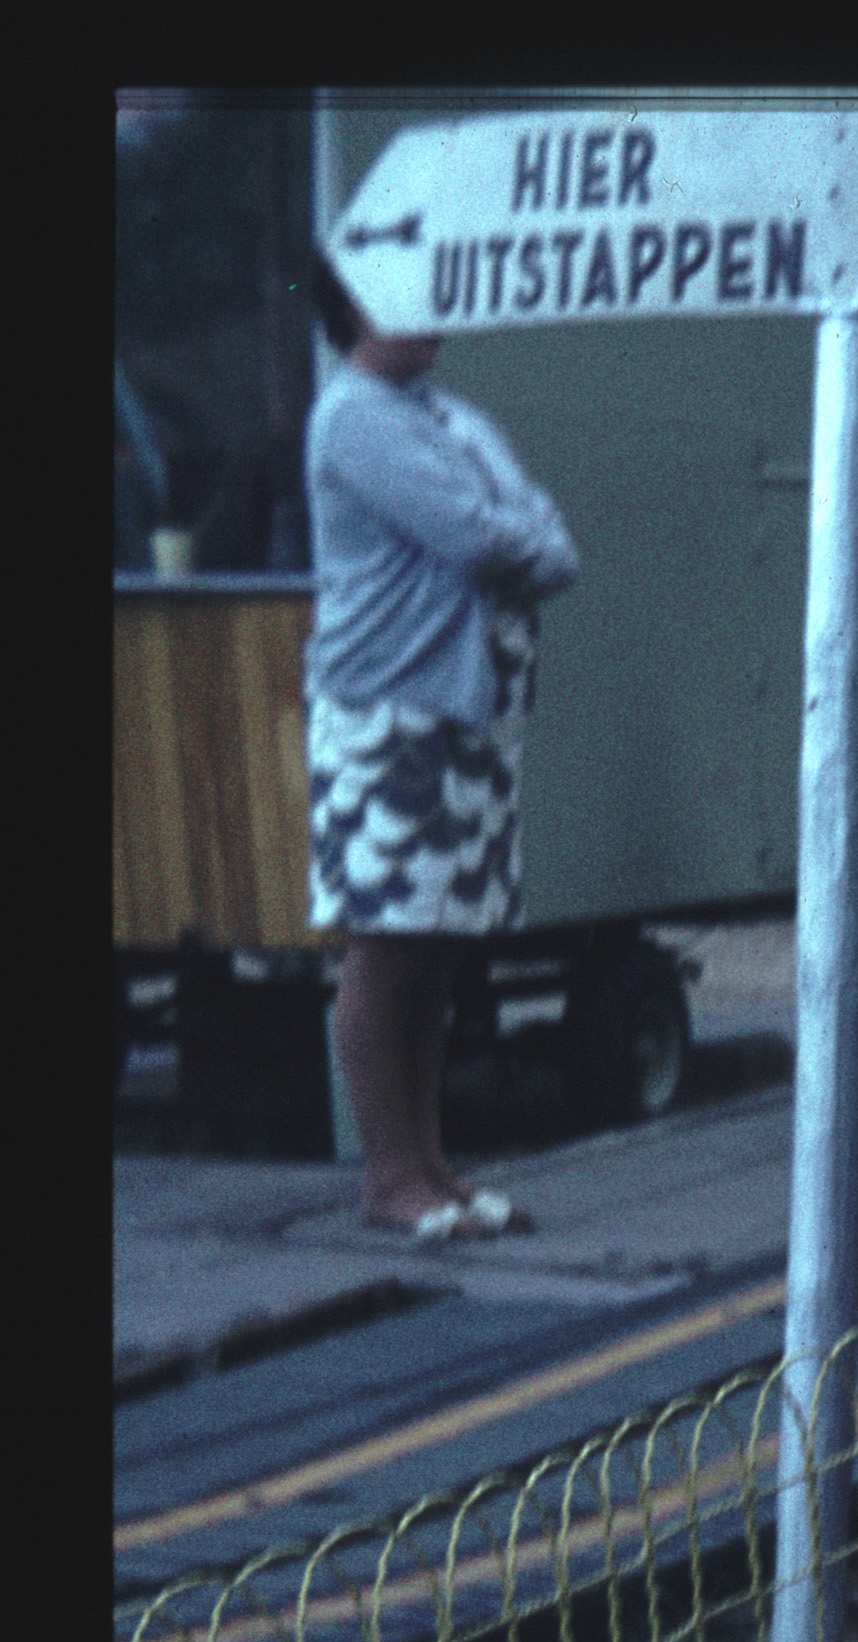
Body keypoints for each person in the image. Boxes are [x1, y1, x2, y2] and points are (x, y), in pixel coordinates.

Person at [299, 248, 577, 1242]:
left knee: (437, 948)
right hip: (390, 715)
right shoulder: (356, 417)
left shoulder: (450, 417)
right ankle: (389, 1178)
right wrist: (518, 536)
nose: (435, 312)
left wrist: (519, 536)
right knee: (389, 943)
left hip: (464, 717)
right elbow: (483, 537)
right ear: (356, 307)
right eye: (409, 297)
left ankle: (430, 1166)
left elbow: (549, 538)